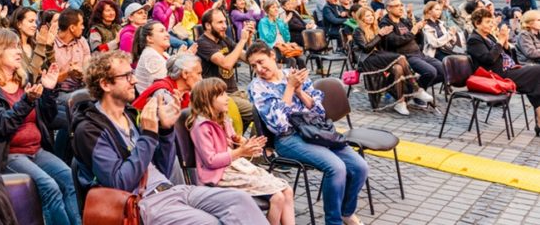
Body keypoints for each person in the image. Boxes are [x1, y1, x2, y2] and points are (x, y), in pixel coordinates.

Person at [73, 50, 266, 225]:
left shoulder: (130, 115)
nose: (134, 81)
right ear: (105, 84)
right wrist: (148, 135)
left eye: (132, 74)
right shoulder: (89, 130)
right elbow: (121, 183)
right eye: (126, 76)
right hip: (143, 203)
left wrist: (165, 132)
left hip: (170, 189)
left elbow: (163, 167)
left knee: (240, 202)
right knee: (208, 222)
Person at [246, 41, 368, 225]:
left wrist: (299, 91)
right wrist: (288, 88)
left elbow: (319, 111)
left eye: (261, 62)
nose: (259, 69)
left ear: (273, 56)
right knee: (336, 167)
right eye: (254, 66)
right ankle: (333, 221)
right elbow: (278, 124)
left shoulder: (292, 74)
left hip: (315, 130)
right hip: (288, 138)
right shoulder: (257, 87)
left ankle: (346, 212)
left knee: (360, 166)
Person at [0, 29, 81, 225]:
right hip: (7, 154)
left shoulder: (23, 80)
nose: (19, 51)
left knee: (70, 179)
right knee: (49, 187)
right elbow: (2, 125)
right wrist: (26, 101)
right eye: (12, 48)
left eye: (18, 46)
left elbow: (47, 117)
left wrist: (49, 91)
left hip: (35, 150)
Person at [188, 77, 294, 225]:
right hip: (219, 176)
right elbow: (210, 161)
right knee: (278, 198)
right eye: (222, 94)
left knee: (287, 191)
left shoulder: (223, 118)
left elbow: (233, 140)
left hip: (235, 167)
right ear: (207, 99)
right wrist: (240, 152)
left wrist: (245, 144)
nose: (227, 98)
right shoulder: (201, 127)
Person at [467, 8, 540, 135]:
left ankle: (539, 119)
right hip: (496, 76)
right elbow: (489, 59)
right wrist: (500, 41)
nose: (491, 24)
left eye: (491, 21)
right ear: (477, 23)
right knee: (537, 73)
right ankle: (539, 119)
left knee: (535, 81)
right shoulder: (474, 40)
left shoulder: (489, 36)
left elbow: (508, 57)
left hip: (508, 70)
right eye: (487, 22)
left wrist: (505, 44)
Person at [352, 7, 427, 114]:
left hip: (378, 56)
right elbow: (366, 48)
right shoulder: (358, 31)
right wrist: (380, 35)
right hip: (368, 60)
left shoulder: (375, 28)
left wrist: (383, 35)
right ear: (361, 18)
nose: (371, 18)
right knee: (401, 57)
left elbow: (382, 47)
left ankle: (400, 103)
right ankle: (416, 89)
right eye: (367, 16)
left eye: (372, 15)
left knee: (398, 68)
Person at [196, 8, 255, 127]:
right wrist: (242, 40)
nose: (224, 26)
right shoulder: (202, 43)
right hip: (220, 96)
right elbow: (226, 64)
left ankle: (238, 141)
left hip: (235, 92)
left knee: (262, 106)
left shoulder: (223, 39)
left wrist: (248, 40)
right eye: (220, 22)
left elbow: (249, 59)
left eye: (224, 22)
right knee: (258, 113)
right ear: (208, 25)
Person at [378, 0, 444, 102]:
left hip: (418, 53)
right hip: (405, 56)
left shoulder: (403, 21)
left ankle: (413, 89)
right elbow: (395, 41)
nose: (400, 8)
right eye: (397, 6)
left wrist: (418, 30)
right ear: (388, 8)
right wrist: (413, 31)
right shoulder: (385, 23)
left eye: (401, 5)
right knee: (431, 72)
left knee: (444, 71)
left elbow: (415, 37)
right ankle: (415, 91)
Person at [133, 53, 203, 111]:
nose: (201, 79)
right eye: (198, 73)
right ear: (185, 74)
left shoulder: (185, 94)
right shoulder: (162, 91)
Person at [11, 6, 55, 82]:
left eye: (35, 22)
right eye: (31, 21)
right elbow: (28, 79)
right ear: (19, 24)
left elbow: (52, 69)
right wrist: (41, 46)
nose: (35, 25)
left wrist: (49, 47)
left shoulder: (34, 44)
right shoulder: (12, 47)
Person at [133, 21, 172, 93]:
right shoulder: (151, 58)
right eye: (161, 31)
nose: (167, 35)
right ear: (149, 38)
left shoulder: (163, 54)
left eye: (166, 31)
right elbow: (164, 88)